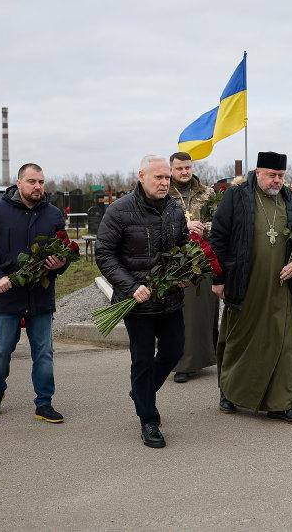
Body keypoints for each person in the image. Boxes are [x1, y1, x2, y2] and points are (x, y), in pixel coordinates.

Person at [95, 155, 189, 448]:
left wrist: (185, 270)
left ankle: (142, 391)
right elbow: (105, 255)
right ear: (141, 176)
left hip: (169, 297)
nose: (164, 183)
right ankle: (149, 421)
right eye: (158, 177)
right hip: (136, 302)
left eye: (166, 178)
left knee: (174, 351)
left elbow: (183, 244)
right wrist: (131, 286)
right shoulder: (120, 211)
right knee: (143, 359)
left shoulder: (174, 209)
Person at [209, 151, 292, 424]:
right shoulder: (237, 196)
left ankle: (282, 402)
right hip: (244, 282)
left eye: (281, 176)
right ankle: (229, 391)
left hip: (280, 285)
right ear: (258, 172)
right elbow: (217, 237)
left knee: (283, 341)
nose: (277, 181)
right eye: (272, 175)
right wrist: (218, 279)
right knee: (240, 339)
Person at [0, 163, 68, 423]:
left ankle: (44, 403)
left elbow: (64, 249)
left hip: (40, 296)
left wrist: (60, 264)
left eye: (41, 182)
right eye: (32, 181)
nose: (38, 187)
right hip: (7, 295)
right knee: (2, 351)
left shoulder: (52, 214)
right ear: (19, 182)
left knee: (44, 352)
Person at [168, 152, 218, 383]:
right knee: (180, 312)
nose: (184, 172)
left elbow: (219, 220)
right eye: (179, 168)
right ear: (171, 169)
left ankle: (203, 358)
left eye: (187, 167)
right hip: (173, 259)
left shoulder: (207, 192)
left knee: (203, 311)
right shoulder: (162, 192)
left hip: (203, 258)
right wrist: (184, 225)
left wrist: (203, 227)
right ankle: (182, 362)